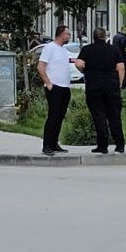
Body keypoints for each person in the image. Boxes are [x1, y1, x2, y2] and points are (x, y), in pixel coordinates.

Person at [76, 27, 126, 154]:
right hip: (112, 86)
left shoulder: (87, 49)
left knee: (99, 116)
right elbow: (121, 67)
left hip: (94, 86)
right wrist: (119, 83)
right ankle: (120, 145)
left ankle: (102, 146)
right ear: (105, 37)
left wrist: (86, 71)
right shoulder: (114, 49)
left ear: (93, 37)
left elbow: (79, 64)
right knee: (115, 116)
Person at [37, 25, 73, 156]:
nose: (69, 36)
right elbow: (41, 66)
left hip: (65, 87)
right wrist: (48, 83)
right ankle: (47, 144)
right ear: (61, 35)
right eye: (67, 34)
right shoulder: (49, 48)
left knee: (60, 116)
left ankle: (54, 142)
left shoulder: (63, 50)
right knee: (53, 115)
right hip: (54, 87)